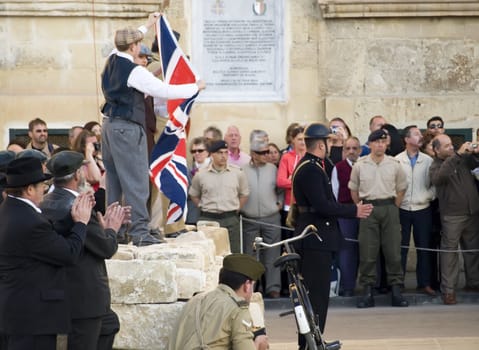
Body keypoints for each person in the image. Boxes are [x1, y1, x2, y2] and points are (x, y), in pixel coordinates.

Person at [100, 12, 205, 246]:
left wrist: (147, 26)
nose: (142, 46)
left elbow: (126, 43)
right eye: (138, 43)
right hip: (127, 128)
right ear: (133, 47)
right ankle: (139, 233)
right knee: (137, 181)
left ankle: (115, 230)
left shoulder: (112, 59)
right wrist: (194, 88)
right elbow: (164, 91)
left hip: (108, 125)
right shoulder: (135, 71)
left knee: (115, 182)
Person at [292, 123, 373, 346]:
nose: (331, 145)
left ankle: (315, 340)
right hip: (314, 239)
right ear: (320, 144)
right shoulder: (309, 169)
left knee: (318, 297)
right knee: (314, 297)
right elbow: (322, 206)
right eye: (328, 142)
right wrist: (352, 210)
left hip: (320, 238)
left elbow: (325, 200)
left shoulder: (318, 164)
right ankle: (309, 344)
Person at [0, 157, 92, 349]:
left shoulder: (9, 210)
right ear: (30, 189)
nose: (45, 189)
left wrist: (69, 221)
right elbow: (68, 254)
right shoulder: (30, 222)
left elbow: (47, 238)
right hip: (33, 319)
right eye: (42, 184)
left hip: (17, 313)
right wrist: (81, 223)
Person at [40, 151, 127, 350]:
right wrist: (112, 228)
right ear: (77, 174)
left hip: (63, 290)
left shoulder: (46, 202)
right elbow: (106, 247)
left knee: (110, 324)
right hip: (84, 298)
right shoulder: (78, 205)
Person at [349, 129, 409, 308]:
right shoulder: (360, 165)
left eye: (383, 142)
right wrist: (361, 207)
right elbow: (354, 189)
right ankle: (367, 291)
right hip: (368, 208)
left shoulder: (394, 164)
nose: (380, 145)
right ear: (370, 144)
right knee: (367, 251)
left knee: (393, 251)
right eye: (376, 142)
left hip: (389, 207)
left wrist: (393, 206)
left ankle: (396, 290)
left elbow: (401, 188)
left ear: (387, 144)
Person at [168, 254, 269, 350]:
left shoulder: (196, 300)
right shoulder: (238, 309)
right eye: (253, 285)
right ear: (247, 285)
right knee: (261, 339)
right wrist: (259, 343)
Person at [429, 134, 479, 304]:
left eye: (451, 144)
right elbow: (439, 178)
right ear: (436, 150)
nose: (450, 147)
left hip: (472, 212)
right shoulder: (436, 165)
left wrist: (475, 153)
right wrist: (457, 154)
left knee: (472, 251)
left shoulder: (463, 159)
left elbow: (476, 165)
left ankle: (474, 282)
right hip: (452, 216)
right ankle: (449, 290)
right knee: (450, 254)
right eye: (446, 146)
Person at [395, 125, 436, 296]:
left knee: (424, 247)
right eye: (416, 134)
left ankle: (424, 283)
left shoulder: (428, 160)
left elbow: (435, 184)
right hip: (402, 209)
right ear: (406, 139)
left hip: (422, 208)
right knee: (401, 248)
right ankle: (399, 283)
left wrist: (428, 196)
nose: (420, 136)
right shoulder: (397, 160)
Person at [189, 140, 249, 253]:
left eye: (226, 152)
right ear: (212, 154)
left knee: (233, 255)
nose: (223, 156)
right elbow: (194, 195)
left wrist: (236, 208)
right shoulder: (201, 174)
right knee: (209, 253)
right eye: (220, 153)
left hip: (230, 218)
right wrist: (202, 206)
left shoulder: (237, 173)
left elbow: (244, 194)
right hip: (208, 219)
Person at [241, 137, 283, 299]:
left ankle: (273, 288)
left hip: (271, 216)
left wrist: (278, 204)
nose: (266, 155)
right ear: (253, 153)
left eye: (267, 152)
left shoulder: (273, 169)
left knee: (273, 254)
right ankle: (251, 288)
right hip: (249, 218)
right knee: (250, 255)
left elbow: (280, 188)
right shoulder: (242, 170)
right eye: (262, 152)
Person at [331, 136, 362, 296]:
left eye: (354, 148)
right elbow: (335, 194)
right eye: (347, 148)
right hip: (345, 214)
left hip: (364, 212)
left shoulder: (365, 165)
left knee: (367, 249)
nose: (351, 151)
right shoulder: (338, 168)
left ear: (360, 150)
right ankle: (348, 286)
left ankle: (369, 285)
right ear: (343, 151)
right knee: (347, 250)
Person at [186, 136, 210, 225]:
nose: (196, 153)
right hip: (193, 215)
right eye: (193, 151)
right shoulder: (188, 170)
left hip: (211, 215)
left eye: (200, 150)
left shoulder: (214, 168)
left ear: (207, 152)